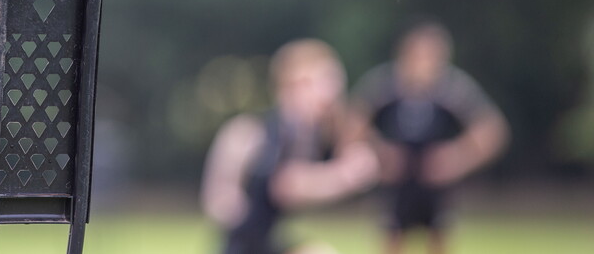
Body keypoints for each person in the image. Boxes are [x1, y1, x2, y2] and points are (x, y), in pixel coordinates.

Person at [201, 39, 379, 254]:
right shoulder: (256, 131)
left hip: (266, 241)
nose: (334, 94)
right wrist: (345, 175)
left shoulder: (313, 134)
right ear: (298, 83)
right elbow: (287, 185)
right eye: (327, 82)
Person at [349, 21, 509, 254]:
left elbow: (492, 128)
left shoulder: (452, 89)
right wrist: (379, 152)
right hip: (398, 183)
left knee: (439, 239)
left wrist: (457, 157)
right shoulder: (386, 86)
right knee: (391, 238)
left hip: (436, 185)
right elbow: (352, 121)